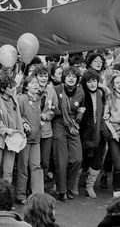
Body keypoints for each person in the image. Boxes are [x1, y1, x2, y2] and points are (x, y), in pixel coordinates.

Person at [52, 66, 84, 202]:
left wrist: (79, 115)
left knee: (77, 159)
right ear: (64, 77)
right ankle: (61, 190)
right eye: (68, 75)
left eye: (74, 76)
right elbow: (51, 106)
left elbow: (82, 109)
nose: (71, 78)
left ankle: (70, 187)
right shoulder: (56, 89)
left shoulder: (81, 92)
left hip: (74, 126)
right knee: (61, 160)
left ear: (77, 79)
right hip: (59, 124)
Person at [0, 74, 23, 185]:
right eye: (10, 87)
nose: (14, 89)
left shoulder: (14, 99)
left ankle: (5, 198)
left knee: (8, 172)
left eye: (14, 87)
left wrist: (21, 133)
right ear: (3, 89)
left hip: (12, 140)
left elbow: (18, 117)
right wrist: (5, 130)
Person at [16, 75, 44, 204]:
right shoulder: (21, 99)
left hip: (36, 138)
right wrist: (23, 122)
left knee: (36, 167)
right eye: (32, 83)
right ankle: (21, 195)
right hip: (25, 139)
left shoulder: (39, 98)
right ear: (26, 86)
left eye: (36, 83)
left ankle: (38, 196)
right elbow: (17, 115)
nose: (36, 85)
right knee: (23, 167)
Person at [80, 69, 107, 199]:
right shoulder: (82, 94)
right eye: (89, 81)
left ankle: (89, 186)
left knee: (97, 160)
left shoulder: (102, 93)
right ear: (85, 83)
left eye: (94, 81)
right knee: (82, 160)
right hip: (84, 132)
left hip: (99, 131)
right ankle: (74, 184)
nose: (92, 84)